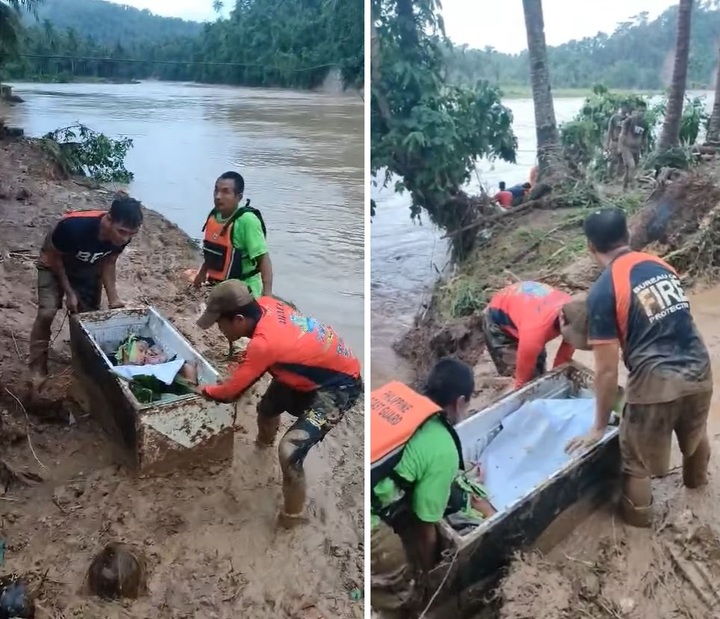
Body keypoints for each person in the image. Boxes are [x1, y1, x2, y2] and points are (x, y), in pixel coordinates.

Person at [566, 207, 712, 528]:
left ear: (590, 247)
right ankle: (698, 492)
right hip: (700, 368)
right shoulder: (661, 265)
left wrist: (598, 427)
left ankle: (637, 530)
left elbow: (606, 372)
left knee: (637, 463)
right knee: (695, 433)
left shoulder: (604, 290)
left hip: (655, 383)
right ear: (628, 235)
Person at [194, 280, 362, 528]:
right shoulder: (267, 303)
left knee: (289, 451)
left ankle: (291, 517)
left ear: (238, 319)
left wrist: (201, 389)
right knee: (266, 410)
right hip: (306, 369)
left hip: (339, 385)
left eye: (220, 323)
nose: (218, 330)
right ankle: (262, 448)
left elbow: (230, 393)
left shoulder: (263, 344)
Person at [370, 358, 496, 616]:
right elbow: (426, 524)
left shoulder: (394, 394)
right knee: (399, 594)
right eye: (468, 403)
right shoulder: (442, 446)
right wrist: (428, 575)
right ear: (460, 401)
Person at [28, 195, 143, 384]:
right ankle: (37, 367)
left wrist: (114, 299)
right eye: (121, 231)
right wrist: (69, 292)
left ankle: (83, 364)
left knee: (88, 318)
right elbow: (55, 258)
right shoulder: (74, 227)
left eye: (131, 234)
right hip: (54, 262)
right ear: (108, 219)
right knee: (47, 312)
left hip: (87, 264)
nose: (125, 238)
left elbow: (109, 261)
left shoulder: (124, 236)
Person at [482, 281, 586, 389]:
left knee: (538, 370)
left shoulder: (577, 317)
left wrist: (555, 383)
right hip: (499, 319)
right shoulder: (534, 335)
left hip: (527, 309)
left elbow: (562, 360)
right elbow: (521, 385)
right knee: (518, 372)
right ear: (563, 321)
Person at [192, 171, 273, 298]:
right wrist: (202, 273)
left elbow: (263, 259)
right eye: (216, 191)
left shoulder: (247, 221)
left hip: (243, 288)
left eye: (225, 192)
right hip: (218, 286)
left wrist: (267, 296)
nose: (218, 196)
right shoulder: (214, 216)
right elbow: (212, 251)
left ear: (239, 197)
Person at [619, 101, 649, 191]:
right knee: (631, 166)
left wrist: (646, 150)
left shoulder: (645, 123)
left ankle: (624, 187)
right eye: (640, 111)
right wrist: (620, 147)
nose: (641, 113)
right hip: (626, 148)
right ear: (636, 110)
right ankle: (633, 188)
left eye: (643, 111)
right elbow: (622, 134)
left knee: (629, 169)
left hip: (636, 150)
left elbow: (645, 138)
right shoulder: (629, 121)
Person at [605, 102, 631, 179]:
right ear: (621, 107)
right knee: (613, 159)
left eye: (627, 107)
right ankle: (609, 177)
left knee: (622, 161)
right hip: (615, 142)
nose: (626, 109)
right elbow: (609, 131)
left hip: (624, 143)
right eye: (624, 107)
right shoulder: (614, 118)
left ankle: (618, 177)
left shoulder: (628, 119)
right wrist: (607, 143)